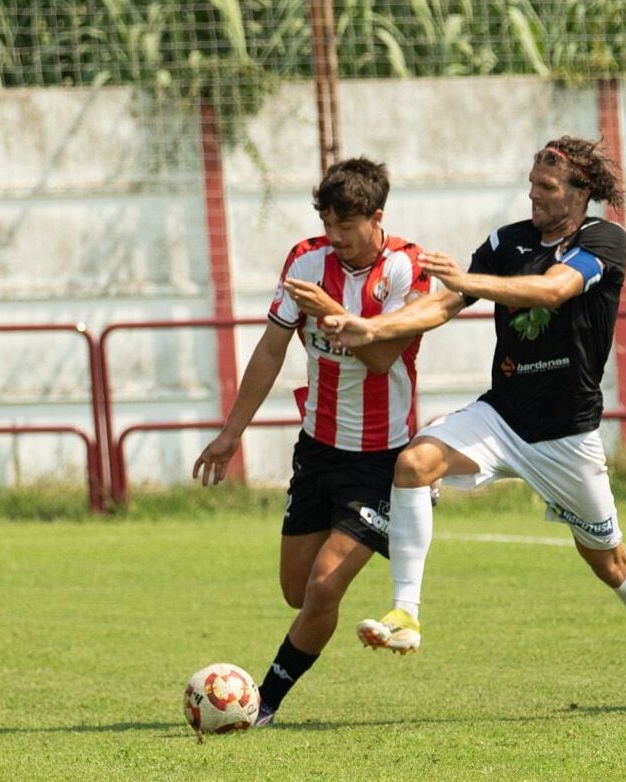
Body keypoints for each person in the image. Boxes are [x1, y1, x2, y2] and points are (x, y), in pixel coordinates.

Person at [288, 135, 626, 710]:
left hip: (566, 435)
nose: (533, 195)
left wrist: (468, 282)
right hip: (502, 415)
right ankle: (407, 613)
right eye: (530, 184)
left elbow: (552, 291)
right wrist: (376, 329)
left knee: (607, 560)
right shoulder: (508, 241)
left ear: (581, 192)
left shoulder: (604, 239)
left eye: (546, 187)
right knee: (414, 463)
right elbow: (443, 305)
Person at [192, 157, 430, 726]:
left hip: (381, 459)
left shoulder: (406, 269)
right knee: (297, 592)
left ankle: (264, 702)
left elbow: (379, 357)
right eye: (329, 225)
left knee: (324, 586)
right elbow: (273, 348)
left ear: (377, 218)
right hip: (317, 450)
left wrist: (330, 310)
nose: (337, 239)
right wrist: (231, 433)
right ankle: (355, 557)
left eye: (347, 227)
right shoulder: (306, 259)